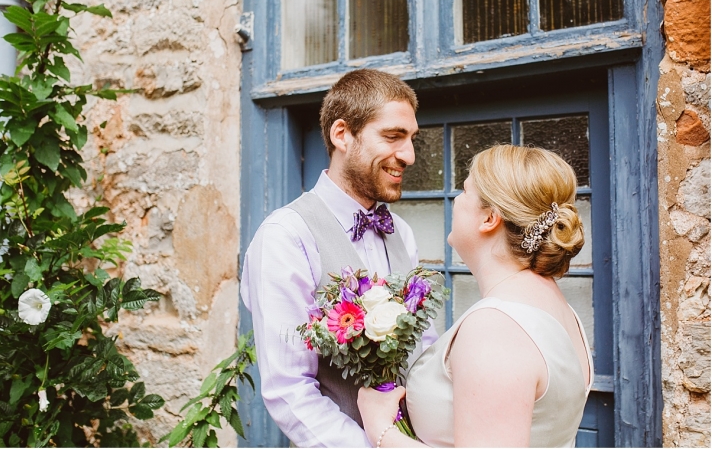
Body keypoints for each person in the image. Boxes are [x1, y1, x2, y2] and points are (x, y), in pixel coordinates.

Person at [240, 68, 439, 447]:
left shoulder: (402, 233)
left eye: (412, 139)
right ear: (342, 134)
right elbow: (289, 389)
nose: (409, 155)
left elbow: (423, 353)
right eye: (393, 137)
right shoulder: (286, 236)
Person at [358, 144, 593, 448]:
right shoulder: (556, 306)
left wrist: (381, 430)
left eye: (465, 191)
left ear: (489, 219)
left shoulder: (497, 328)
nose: (456, 201)